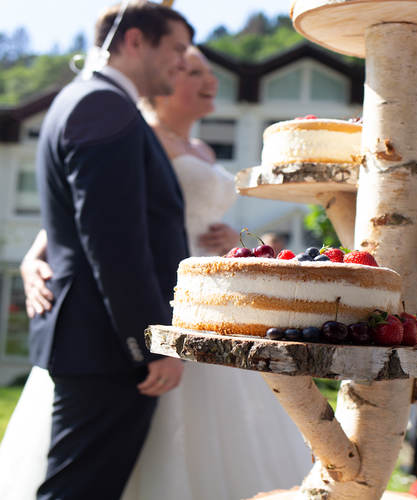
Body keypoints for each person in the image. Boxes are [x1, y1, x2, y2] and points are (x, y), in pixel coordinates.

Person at [1, 44, 311, 500]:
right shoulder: (137, 134)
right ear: (163, 78)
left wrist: (229, 239)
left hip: (212, 300)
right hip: (156, 294)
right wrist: (35, 254)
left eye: (209, 72)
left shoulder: (202, 150)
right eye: (190, 71)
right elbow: (90, 211)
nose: (209, 81)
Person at [0, 3, 194, 500]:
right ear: (133, 40)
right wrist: (150, 342)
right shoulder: (101, 105)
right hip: (108, 347)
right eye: (175, 48)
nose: (182, 60)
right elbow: (113, 242)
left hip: (96, 342)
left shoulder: (90, 100)